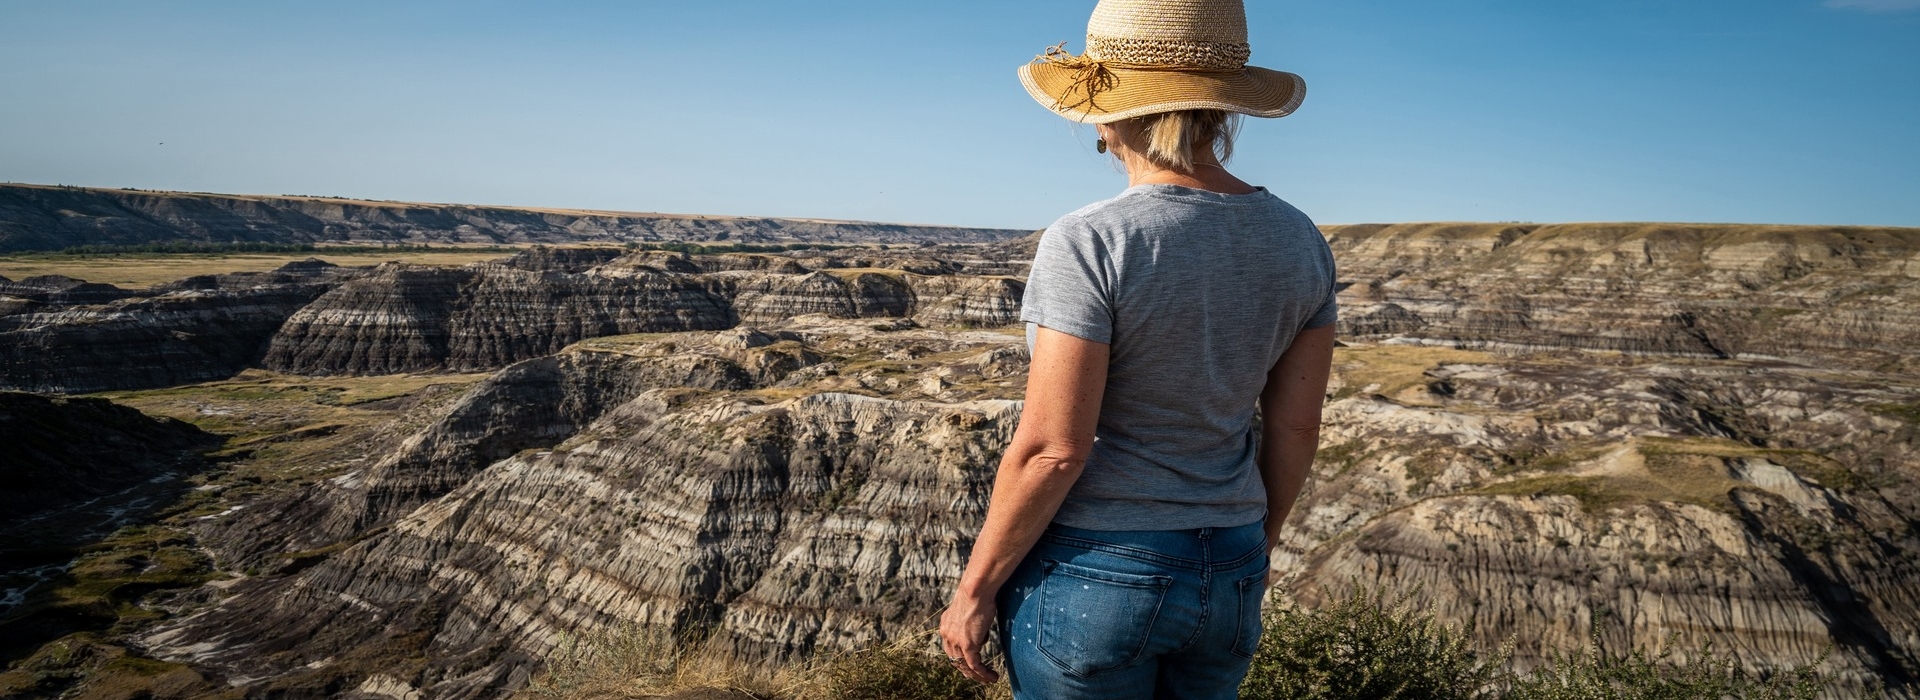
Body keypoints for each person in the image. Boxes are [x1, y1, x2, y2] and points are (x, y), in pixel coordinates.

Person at [937, 0, 1338, 698]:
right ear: (1223, 109)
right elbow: (1297, 425)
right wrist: (1254, 546)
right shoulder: (1301, 240)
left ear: (1109, 109)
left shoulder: (1091, 240)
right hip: (1233, 558)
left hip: (1101, 566)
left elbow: (1055, 449)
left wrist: (974, 591)